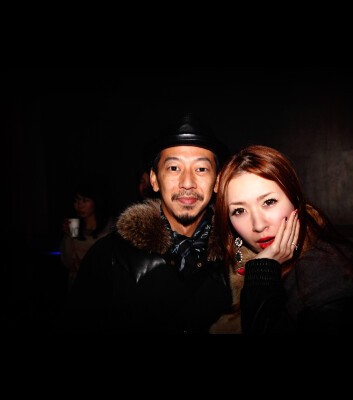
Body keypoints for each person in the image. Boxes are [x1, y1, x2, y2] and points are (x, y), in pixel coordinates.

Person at [54, 113, 232, 334]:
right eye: (174, 168)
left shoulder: (235, 255)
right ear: (154, 180)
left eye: (201, 169)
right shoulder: (108, 256)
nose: (187, 183)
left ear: (217, 182)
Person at [210, 144, 353, 334]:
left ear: (295, 198)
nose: (258, 225)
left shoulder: (331, 280)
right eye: (239, 210)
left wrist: (261, 275)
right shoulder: (236, 263)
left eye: (269, 202)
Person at [60, 181, 115, 290]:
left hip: (100, 285)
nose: (79, 205)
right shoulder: (74, 227)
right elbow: (68, 261)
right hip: (78, 285)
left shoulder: (109, 227)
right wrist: (68, 236)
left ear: (95, 201)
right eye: (76, 201)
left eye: (85, 200)